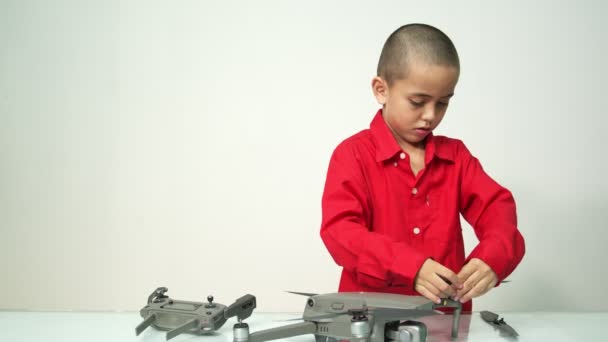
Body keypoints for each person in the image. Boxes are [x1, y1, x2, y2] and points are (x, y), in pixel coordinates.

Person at [320, 23, 525, 311]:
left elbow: (497, 208)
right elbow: (341, 233)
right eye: (418, 102)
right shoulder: (351, 155)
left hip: (445, 322)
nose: (430, 116)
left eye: (443, 103)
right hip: (368, 322)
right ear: (381, 90)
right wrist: (409, 266)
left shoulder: (456, 156)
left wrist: (492, 258)